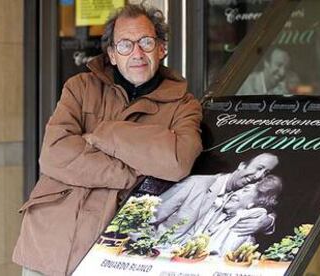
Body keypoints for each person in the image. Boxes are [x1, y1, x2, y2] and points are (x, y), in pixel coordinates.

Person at [13, 4, 202, 276]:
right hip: (49, 245)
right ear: (112, 54)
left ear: (161, 48)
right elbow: (54, 154)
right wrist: (130, 174)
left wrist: (104, 133)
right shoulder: (79, 88)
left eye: (146, 42)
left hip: (116, 256)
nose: (136, 53)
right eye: (125, 45)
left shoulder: (184, 106)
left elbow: (177, 161)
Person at [154, 153, 279, 244]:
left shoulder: (249, 196)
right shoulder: (195, 183)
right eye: (259, 168)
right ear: (242, 165)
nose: (259, 176)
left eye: (266, 173)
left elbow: (266, 208)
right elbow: (145, 218)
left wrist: (268, 220)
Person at [203, 175, 282, 256]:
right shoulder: (222, 211)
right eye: (240, 189)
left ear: (251, 205)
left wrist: (270, 219)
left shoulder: (240, 230)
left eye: (245, 190)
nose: (236, 193)